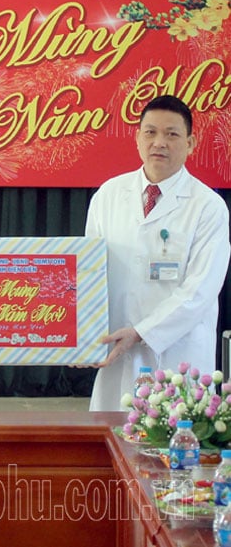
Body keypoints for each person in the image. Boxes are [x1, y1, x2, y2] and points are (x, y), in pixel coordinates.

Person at [86, 94, 230, 411]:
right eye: (150, 132)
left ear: (191, 143)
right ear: (137, 138)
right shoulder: (108, 195)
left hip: (178, 355)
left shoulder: (207, 207)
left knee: (176, 448)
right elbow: (86, 276)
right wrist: (78, 336)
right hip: (116, 356)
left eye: (172, 134)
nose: (159, 143)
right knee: (108, 448)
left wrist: (141, 332)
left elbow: (201, 290)